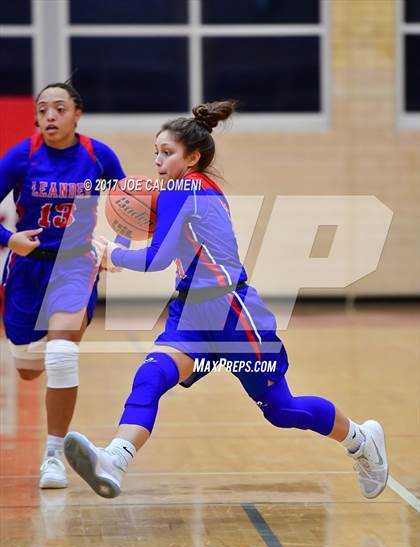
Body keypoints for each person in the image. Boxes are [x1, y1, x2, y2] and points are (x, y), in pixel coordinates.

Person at [64, 101, 388, 500]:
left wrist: (111, 255)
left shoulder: (185, 189)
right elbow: (173, 251)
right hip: (192, 314)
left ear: (193, 157)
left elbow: (157, 259)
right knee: (152, 375)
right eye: (155, 153)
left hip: (232, 312)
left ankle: (361, 440)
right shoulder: (190, 191)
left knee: (281, 410)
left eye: (167, 153)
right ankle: (115, 457)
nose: (158, 162)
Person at [0, 81, 126, 489]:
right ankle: (29, 354)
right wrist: (9, 240)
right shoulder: (22, 156)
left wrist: (116, 248)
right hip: (28, 270)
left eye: (59, 108)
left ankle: (52, 457)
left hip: (75, 265)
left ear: (77, 114)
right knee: (29, 369)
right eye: (42, 110)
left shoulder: (98, 155)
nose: (49, 116)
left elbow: (132, 209)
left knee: (60, 354)